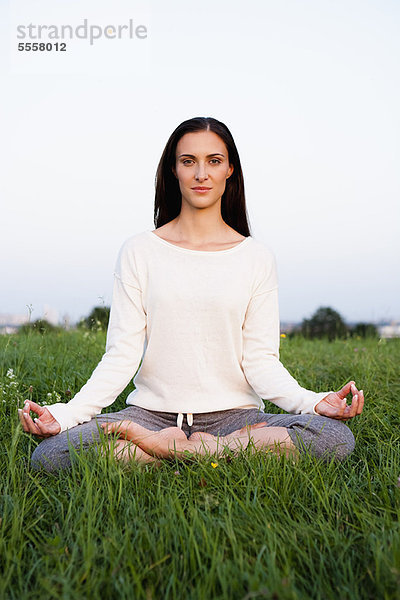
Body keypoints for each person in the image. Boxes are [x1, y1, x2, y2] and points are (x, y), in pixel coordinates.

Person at [19, 117, 364, 472]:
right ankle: (211, 451)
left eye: (213, 161)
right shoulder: (140, 250)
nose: (201, 174)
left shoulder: (255, 257)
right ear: (174, 170)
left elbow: (261, 361)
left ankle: (163, 450)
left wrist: (314, 402)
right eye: (189, 162)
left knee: (334, 437)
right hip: (150, 415)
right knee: (52, 455)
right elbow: (121, 355)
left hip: (234, 419)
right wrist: (66, 415)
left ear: (230, 169)